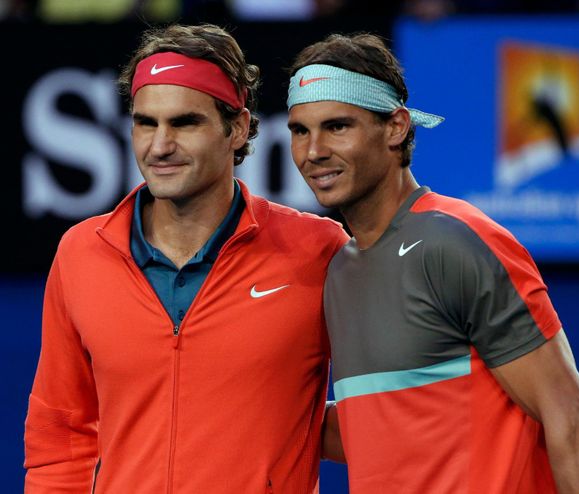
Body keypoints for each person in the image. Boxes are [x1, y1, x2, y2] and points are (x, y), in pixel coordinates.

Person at [286, 33, 579, 493]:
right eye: (299, 131)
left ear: (396, 127)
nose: (313, 151)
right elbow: (389, 427)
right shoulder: (340, 271)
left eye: (337, 126)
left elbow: (572, 415)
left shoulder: (456, 239)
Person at [24, 24, 348, 493]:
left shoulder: (319, 250)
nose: (159, 146)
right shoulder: (80, 252)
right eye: (145, 123)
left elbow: (380, 411)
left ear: (236, 128)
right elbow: (61, 434)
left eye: (184, 123)